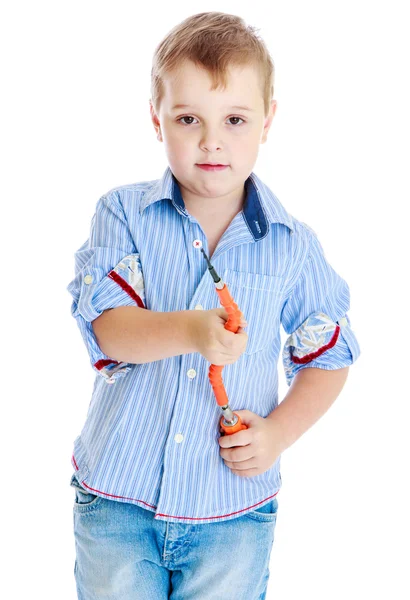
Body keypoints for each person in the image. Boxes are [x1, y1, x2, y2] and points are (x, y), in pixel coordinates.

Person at [66, 11, 361, 600]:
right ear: (157, 120)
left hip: (232, 514)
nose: (211, 140)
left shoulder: (292, 244)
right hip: (119, 503)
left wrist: (276, 435)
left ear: (267, 121)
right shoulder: (123, 214)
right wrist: (192, 330)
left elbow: (328, 357)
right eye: (187, 119)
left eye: (233, 119)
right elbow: (108, 331)